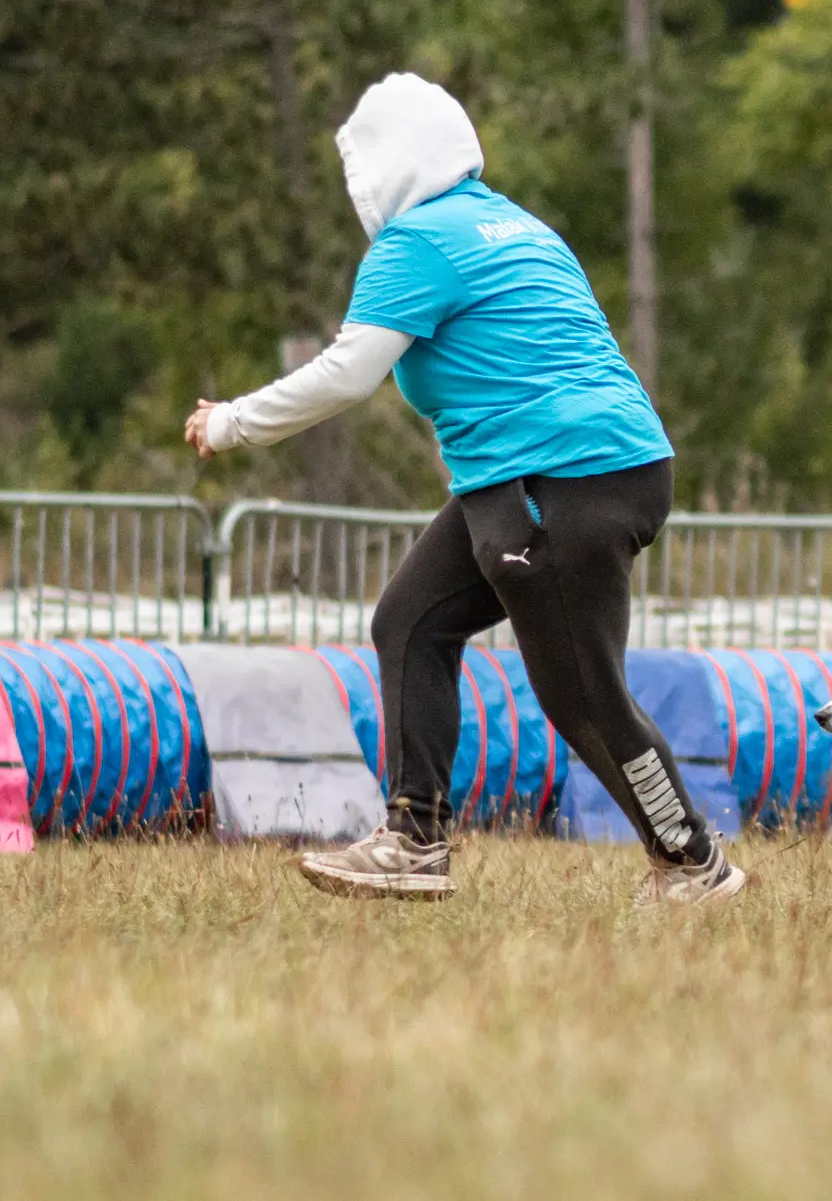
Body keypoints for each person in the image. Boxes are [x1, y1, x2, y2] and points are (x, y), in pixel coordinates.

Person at [183, 73, 742, 906]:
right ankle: (414, 836)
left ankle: (693, 861)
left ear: (381, 170)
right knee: (410, 621)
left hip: (560, 477)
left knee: (585, 696)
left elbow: (348, 374)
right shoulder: (516, 225)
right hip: (587, 465)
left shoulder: (416, 243)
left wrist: (233, 422)